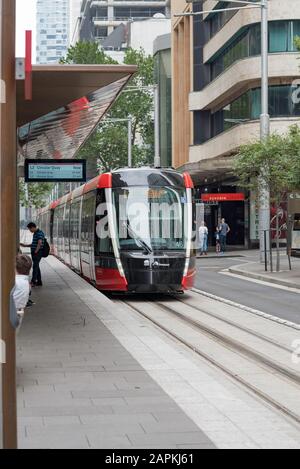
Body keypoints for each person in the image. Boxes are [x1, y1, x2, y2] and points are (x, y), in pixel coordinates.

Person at [20, 222, 45, 286]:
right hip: (35, 252)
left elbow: (40, 242)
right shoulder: (36, 233)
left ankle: (33, 281)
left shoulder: (39, 233)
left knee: (35, 266)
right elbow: (35, 244)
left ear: (33, 227)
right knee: (37, 266)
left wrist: (36, 251)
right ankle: (39, 282)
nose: (30, 231)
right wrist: (25, 245)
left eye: (30, 229)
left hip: (37, 253)